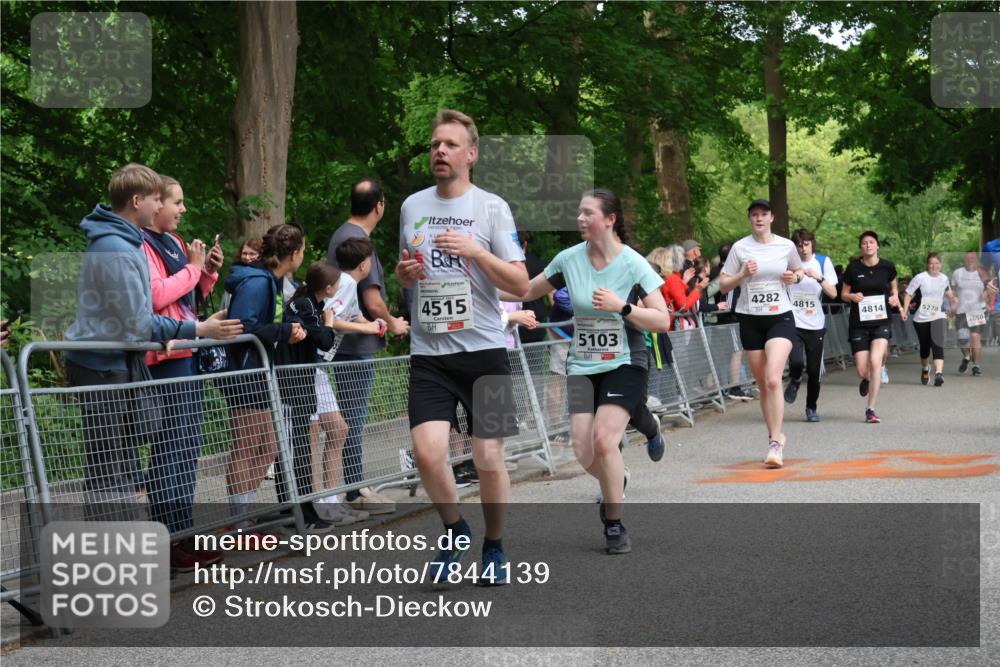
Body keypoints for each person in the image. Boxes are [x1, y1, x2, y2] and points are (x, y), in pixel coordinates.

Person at [395, 109, 528, 584]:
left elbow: (520, 281)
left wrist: (475, 251)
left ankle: (494, 545)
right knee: (429, 453)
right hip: (430, 354)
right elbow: (404, 270)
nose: (440, 151)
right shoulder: (412, 206)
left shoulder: (492, 208)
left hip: (485, 353)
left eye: (450, 144)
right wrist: (403, 275)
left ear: (471, 154)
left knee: (488, 457)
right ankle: (455, 531)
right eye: (435, 144)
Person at [64, 163, 241, 514]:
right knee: (110, 472)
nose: (162, 207)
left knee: (122, 470)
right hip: (102, 368)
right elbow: (139, 322)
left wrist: (201, 277)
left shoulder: (125, 242)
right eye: (158, 199)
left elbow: (141, 316)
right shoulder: (117, 248)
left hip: (117, 364)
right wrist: (197, 330)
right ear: (136, 201)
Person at [511, 189, 669, 554]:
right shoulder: (568, 259)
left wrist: (622, 307)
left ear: (610, 219)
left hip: (625, 360)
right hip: (582, 363)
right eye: (578, 213)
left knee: (603, 440)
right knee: (584, 453)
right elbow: (525, 288)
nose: (580, 219)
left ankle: (614, 524)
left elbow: (662, 320)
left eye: (587, 213)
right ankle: (621, 466)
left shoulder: (632, 263)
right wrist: (484, 269)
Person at [140, 175, 226, 571]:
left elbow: (186, 301)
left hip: (187, 354)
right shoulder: (142, 243)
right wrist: (193, 269)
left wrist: (205, 273)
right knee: (171, 449)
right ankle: (168, 539)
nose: (183, 209)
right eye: (177, 202)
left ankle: (183, 534)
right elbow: (157, 297)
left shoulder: (174, 243)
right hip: (166, 359)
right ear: (156, 203)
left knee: (188, 448)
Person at [220, 223, 309, 536]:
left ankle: (240, 514)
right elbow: (242, 326)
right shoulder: (258, 282)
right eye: (302, 251)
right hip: (245, 370)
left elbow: (264, 322)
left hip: (259, 368)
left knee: (269, 446)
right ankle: (237, 521)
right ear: (294, 253)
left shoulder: (271, 280)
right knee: (246, 445)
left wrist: (288, 328)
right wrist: (283, 332)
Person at [326, 178, 407, 514]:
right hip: (354, 346)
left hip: (345, 343)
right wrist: (393, 322)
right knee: (354, 418)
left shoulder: (340, 235)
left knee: (349, 418)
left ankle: (356, 484)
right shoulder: (360, 242)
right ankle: (356, 489)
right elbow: (372, 302)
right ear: (380, 206)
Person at [719, 199, 803, 467]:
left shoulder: (786, 245)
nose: (759, 219)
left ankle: (775, 445)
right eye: (754, 214)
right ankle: (774, 435)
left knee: (773, 379)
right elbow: (722, 285)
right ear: (749, 219)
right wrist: (742, 273)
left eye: (764, 214)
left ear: (772, 217)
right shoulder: (740, 248)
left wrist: (796, 277)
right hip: (751, 318)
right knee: (763, 386)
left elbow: (799, 270)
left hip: (780, 317)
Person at [314, 238, 388, 520]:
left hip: (322, 363)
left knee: (337, 430)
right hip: (315, 362)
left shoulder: (348, 284)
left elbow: (353, 313)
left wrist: (370, 324)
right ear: (364, 264)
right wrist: (370, 329)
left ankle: (329, 501)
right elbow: (328, 316)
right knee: (334, 431)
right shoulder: (345, 282)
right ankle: (324, 503)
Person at [840, 230, 899, 424]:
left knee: (875, 362)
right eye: (864, 243)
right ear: (861, 247)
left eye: (871, 242)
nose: (868, 246)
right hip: (859, 324)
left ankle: (870, 409)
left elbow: (894, 288)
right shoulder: (853, 268)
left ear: (877, 245)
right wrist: (852, 297)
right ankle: (866, 379)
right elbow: (843, 294)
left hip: (881, 321)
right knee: (862, 370)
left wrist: (894, 297)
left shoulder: (887, 267)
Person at [783, 229, 838, 422]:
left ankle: (811, 408)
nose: (803, 249)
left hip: (815, 323)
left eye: (806, 244)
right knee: (797, 361)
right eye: (799, 245)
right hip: (793, 322)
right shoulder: (788, 263)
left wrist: (818, 277)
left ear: (812, 244)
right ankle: (796, 379)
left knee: (814, 371)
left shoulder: (823, 262)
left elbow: (833, 294)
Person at [902, 252, 958, 386]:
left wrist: (953, 299)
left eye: (937, 263)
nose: (934, 266)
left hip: (938, 316)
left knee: (938, 344)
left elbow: (948, 292)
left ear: (941, 265)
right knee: (925, 347)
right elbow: (908, 294)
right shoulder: (920, 278)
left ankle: (939, 373)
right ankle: (925, 368)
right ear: (928, 264)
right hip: (921, 318)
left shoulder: (944, 278)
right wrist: (904, 311)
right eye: (931, 263)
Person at [952, 250, 990, 376]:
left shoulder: (983, 273)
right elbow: (951, 291)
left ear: (976, 260)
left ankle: (976, 365)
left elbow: (990, 288)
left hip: (978, 310)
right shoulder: (957, 273)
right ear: (964, 260)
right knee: (963, 340)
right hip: (961, 311)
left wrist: (987, 295)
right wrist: (953, 301)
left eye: (973, 259)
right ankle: (967, 357)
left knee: (975, 337)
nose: (970, 261)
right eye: (968, 259)